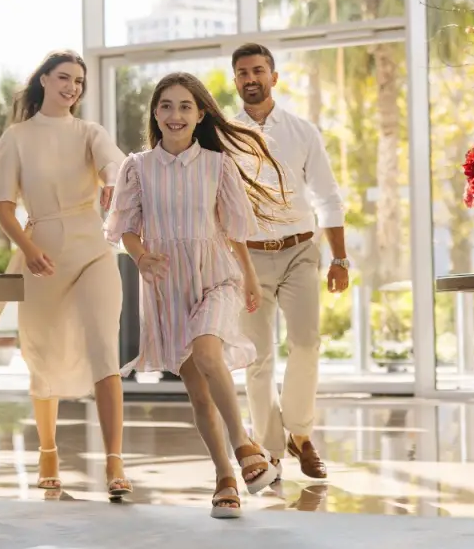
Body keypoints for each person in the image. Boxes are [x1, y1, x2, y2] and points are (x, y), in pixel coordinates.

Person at [105, 72, 288, 519]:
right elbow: (126, 227)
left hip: (216, 277)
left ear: (201, 113)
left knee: (209, 354)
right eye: (166, 105)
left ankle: (245, 447)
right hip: (167, 288)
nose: (175, 114)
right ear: (155, 112)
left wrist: (247, 276)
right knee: (199, 395)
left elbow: (233, 229)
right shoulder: (138, 168)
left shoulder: (217, 164)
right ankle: (226, 476)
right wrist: (142, 256)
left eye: (185, 106)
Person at [0, 49, 131, 500]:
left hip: (93, 248)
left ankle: (115, 463)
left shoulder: (90, 132)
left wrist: (113, 178)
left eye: (78, 81)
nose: (72, 86)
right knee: (42, 353)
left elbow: (111, 161)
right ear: (44, 81)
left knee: (104, 347)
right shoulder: (18, 137)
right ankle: (48, 451)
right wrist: (29, 250)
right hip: (43, 255)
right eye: (63, 77)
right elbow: (3, 209)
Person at [231, 42, 350, 481]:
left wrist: (340, 258)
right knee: (257, 358)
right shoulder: (223, 135)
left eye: (258, 70)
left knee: (305, 343)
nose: (251, 78)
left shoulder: (302, 132)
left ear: (274, 77)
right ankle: (270, 446)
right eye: (243, 72)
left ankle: (301, 435)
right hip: (248, 258)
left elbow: (327, 197)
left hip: (300, 250)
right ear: (236, 81)